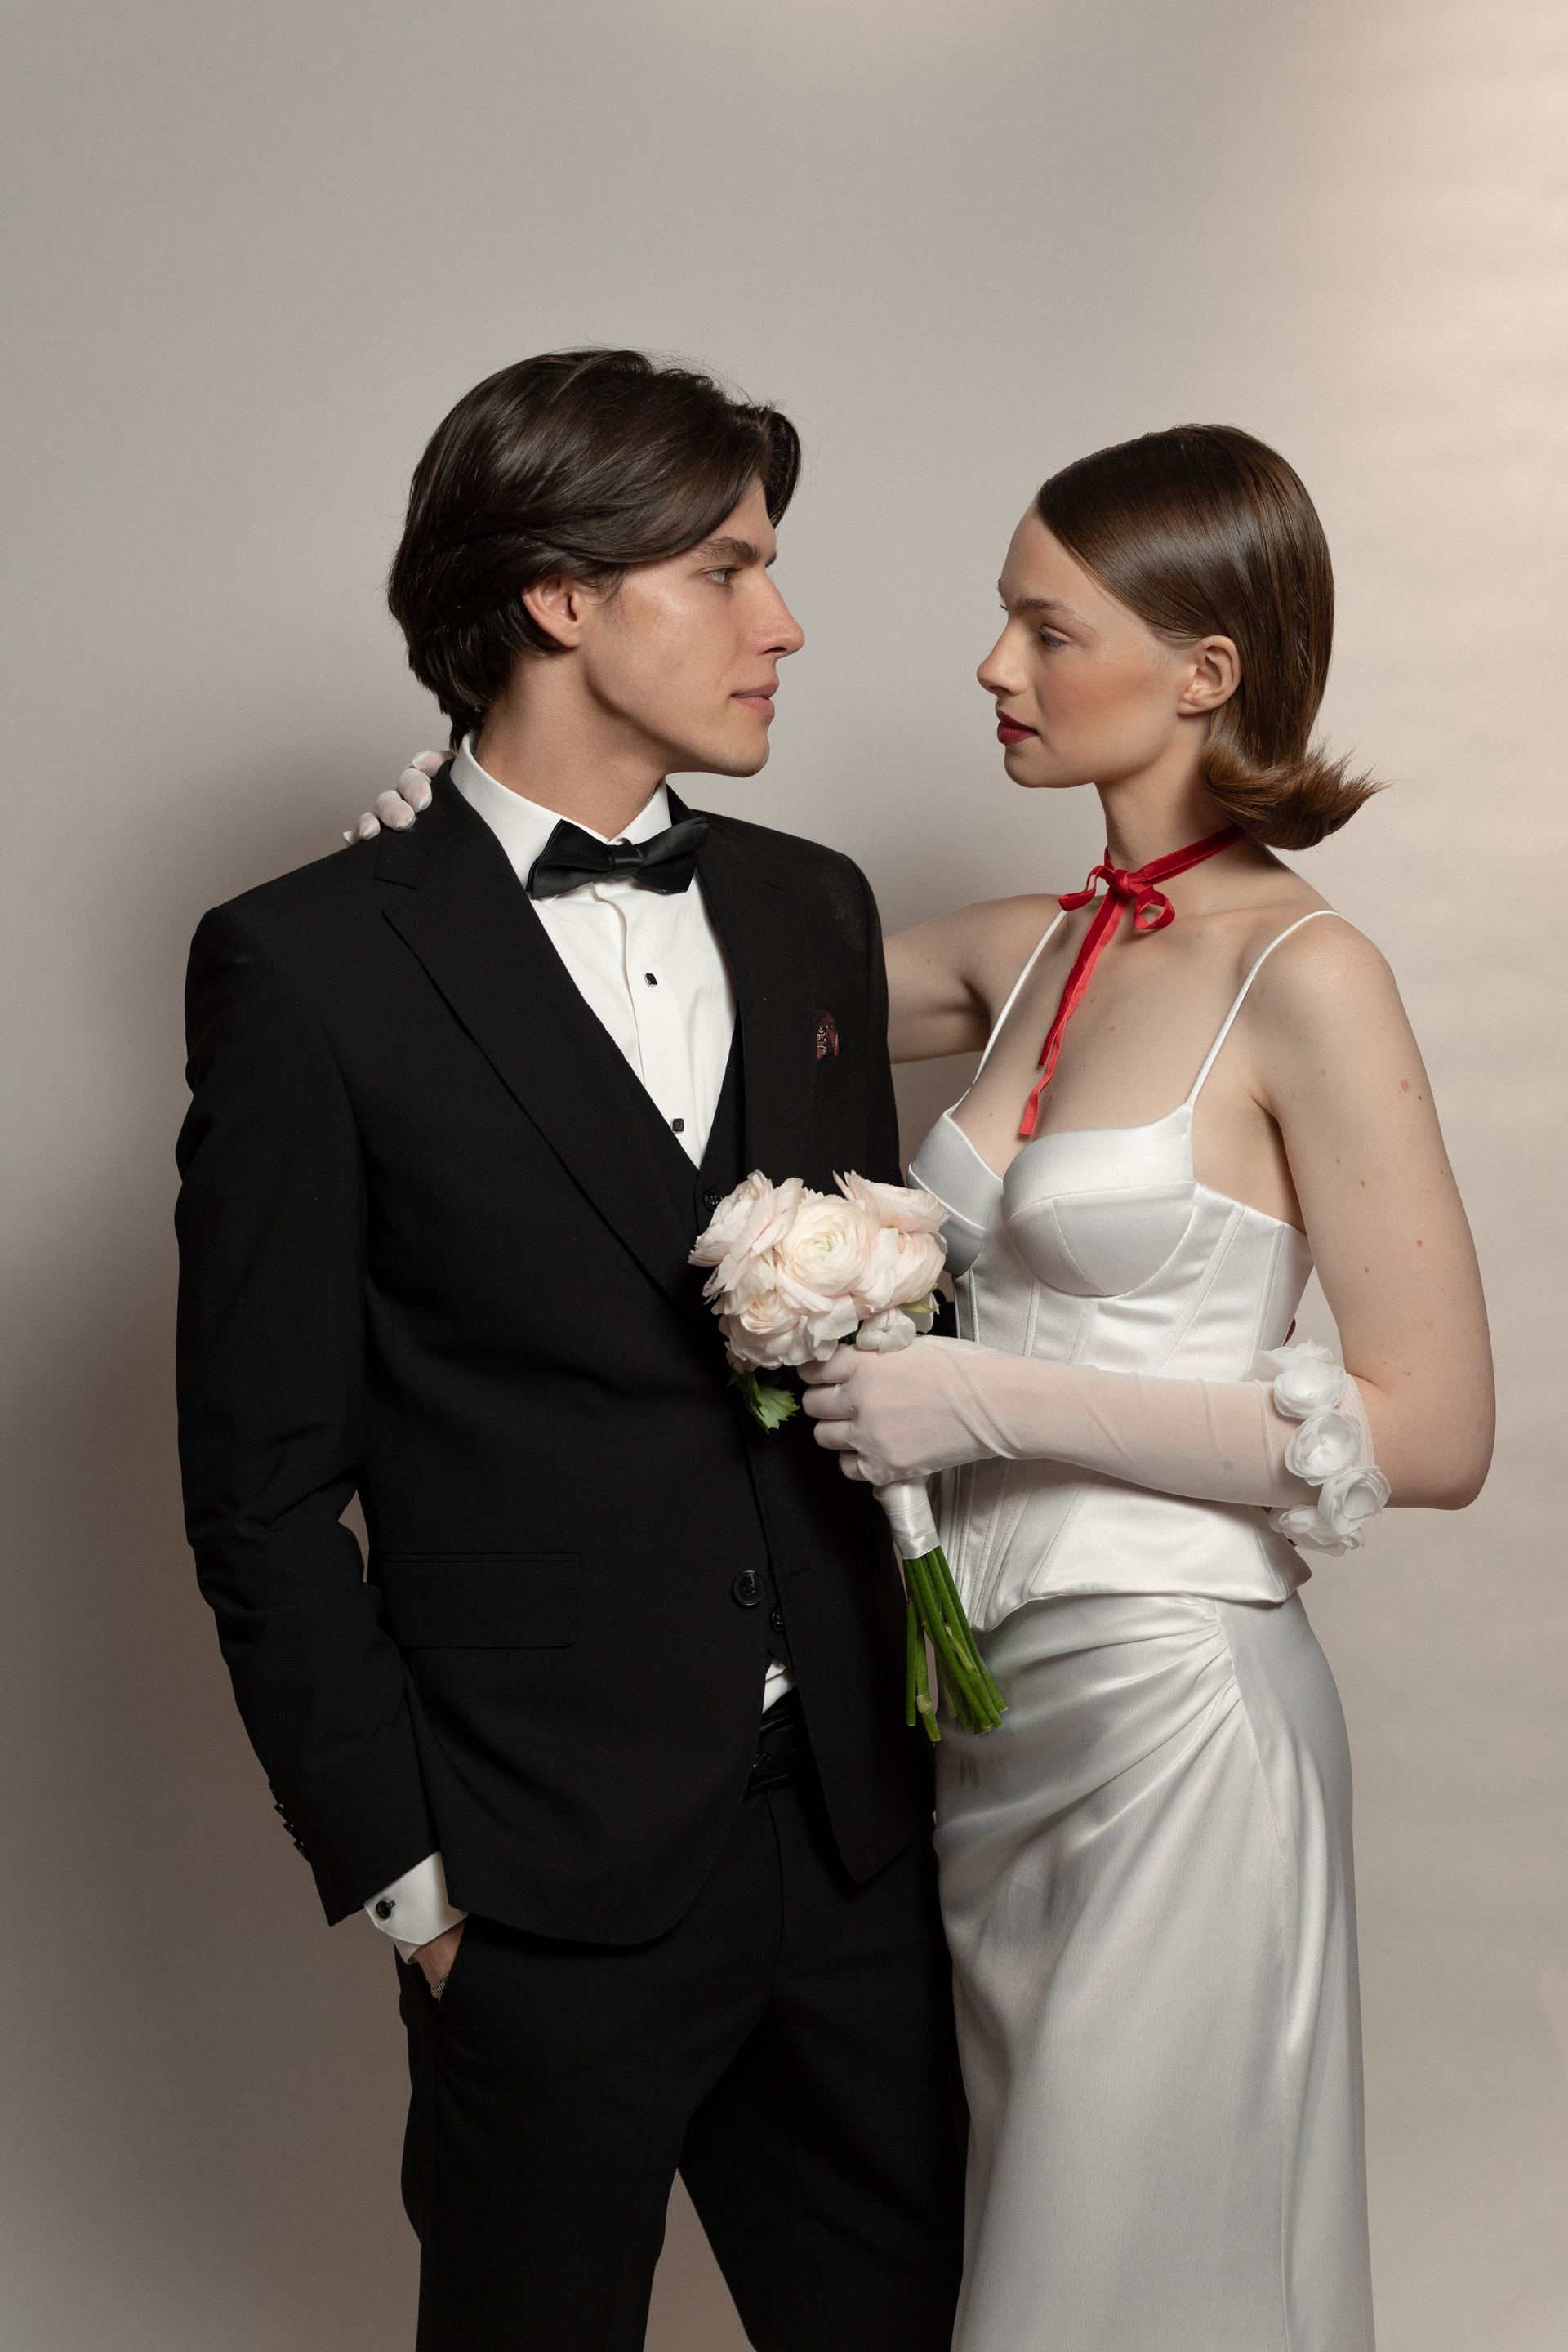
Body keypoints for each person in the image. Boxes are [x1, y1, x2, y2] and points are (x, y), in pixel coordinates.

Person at [360, 421, 1495, 2345]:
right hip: (967, 1737)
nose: (992, 667)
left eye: (1048, 631)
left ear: (1205, 672)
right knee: (1000, 2268)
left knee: (1125, 2280)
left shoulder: (1309, 974)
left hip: (1172, 1713)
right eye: (1002, 619)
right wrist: (469, 841)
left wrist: (993, 1404)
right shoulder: (1022, 958)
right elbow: (631, 996)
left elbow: (1436, 1430)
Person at [176, 349, 964, 2352]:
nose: (785, 624)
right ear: (559, 594)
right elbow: (261, 1493)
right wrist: (415, 1890)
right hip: (534, 1884)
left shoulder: (808, 909)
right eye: (729, 568)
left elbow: (871, 1337)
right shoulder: (308, 965)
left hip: (854, 1851)